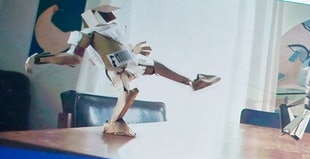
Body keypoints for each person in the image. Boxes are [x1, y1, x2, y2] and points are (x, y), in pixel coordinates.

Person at [25, 4, 221, 138]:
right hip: (115, 70)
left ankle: (192, 82)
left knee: (156, 66)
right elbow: (74, 58)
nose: (112, 17)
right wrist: (41, 59)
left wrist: (133, 50)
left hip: (129, 62)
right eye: (107, 15)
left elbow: (119, 46)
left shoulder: (115, 28)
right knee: (128, 92)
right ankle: (114, 122)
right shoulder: (87, 34)